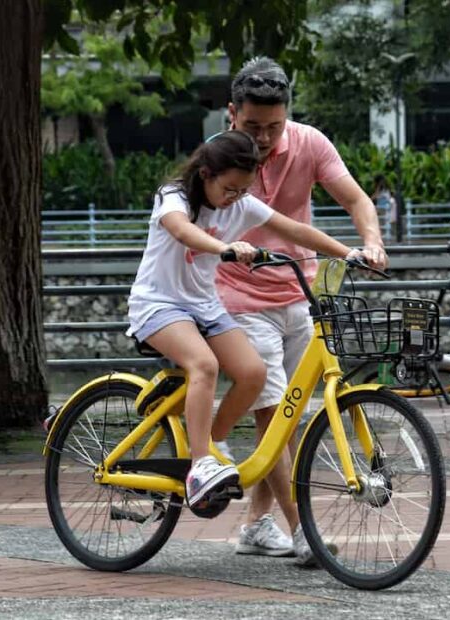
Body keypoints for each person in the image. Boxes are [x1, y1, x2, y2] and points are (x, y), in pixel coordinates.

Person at [126, 130, 360, 515]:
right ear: (205, 174)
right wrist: (225, 248)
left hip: (204, 306)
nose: (235, 198)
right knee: (204, 365)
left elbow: (296, 230)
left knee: (254, 373)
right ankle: (200, 467)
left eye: (243, 190)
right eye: (229, 189)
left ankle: (210, 443)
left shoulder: (242, 205)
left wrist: (350, 252)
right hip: (159, 305)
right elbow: (182, 230)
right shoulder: (174, 196)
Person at [215, 57, 388, 565]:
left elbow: (356, 199)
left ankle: (253, 525)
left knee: (287, 421)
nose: (265, 138)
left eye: (274, 126)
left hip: (300, 294)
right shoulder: (219, 155)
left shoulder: (310, 143)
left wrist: (371, 242)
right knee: (273, 412)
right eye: (253, 127)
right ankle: (302, 529)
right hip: (239, 298)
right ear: (232, 114)